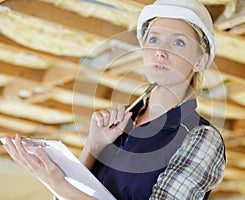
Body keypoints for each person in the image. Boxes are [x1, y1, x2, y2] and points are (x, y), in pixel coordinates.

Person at [1, 0, 226, 199]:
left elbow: (69, 193)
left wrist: (58, 184)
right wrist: (93, 146)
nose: (160, 51)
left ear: (200, 61)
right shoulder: (119, 122)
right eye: (154, 39)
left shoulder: (200, 137)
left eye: (178, 42)